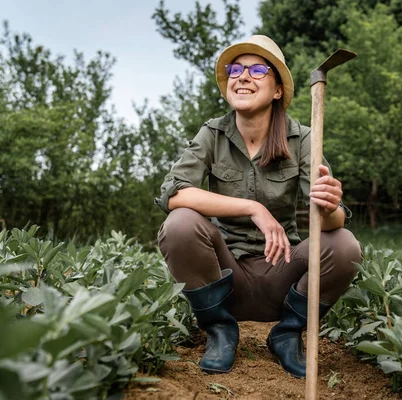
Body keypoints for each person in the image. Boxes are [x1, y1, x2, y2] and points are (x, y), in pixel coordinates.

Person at [155, 35, 362, 378]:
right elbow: (173, 194)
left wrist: (330, 206)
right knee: (180, 223)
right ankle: (220, 330)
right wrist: (253, 208)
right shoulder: (212, 134)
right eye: (235, 69)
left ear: (278, 90)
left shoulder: (304, 138)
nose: (242, 76)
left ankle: (288, 333)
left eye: (257, 69)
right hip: (225, 277)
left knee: (345, 245)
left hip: (282, 276)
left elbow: (329, 223)